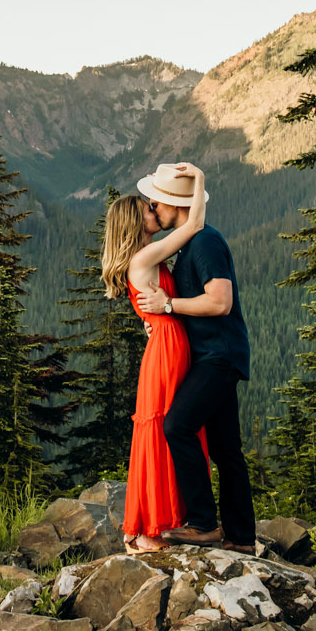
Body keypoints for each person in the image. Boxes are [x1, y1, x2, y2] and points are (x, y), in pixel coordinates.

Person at [135, 161, 255, 551]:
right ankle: (240, 538)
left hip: (217, 356)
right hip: (215, 354)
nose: (154, 207)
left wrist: (169, 307)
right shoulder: (191, 241)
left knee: (177, 426)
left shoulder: (203, 243)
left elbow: (220, 302)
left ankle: (204, 524)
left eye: (158, 202)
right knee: (225, 449)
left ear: (176, 204)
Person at [99, 164, 208, 552]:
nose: (154, 209)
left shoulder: (144, 259)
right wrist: (198, 180)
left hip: (166, 342)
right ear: (136, 222)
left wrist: (156, 319)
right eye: (148, 209)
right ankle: (147, 530)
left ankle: (156, 525)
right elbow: (194, 224)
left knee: (169, 428)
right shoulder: (143, 260)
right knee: (164, 428)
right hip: (166, 348)